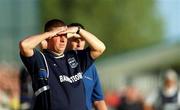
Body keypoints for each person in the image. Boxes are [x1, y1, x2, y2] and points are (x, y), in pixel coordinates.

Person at [19, 19, 106, 110]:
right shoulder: (41, 60)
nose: (63, 40)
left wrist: (78, 30)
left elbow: (100, 48)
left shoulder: (75, 57)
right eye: (58, 35)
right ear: (49, 37)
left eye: (65, 35)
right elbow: (24, 45)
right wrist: (48, 34)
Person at [67, 23, 107, 110]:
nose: (79, 43)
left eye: (82, 39)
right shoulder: (57, 62)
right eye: (75, 39)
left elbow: (98, 100)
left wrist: (79, 31)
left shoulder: (90, 66)